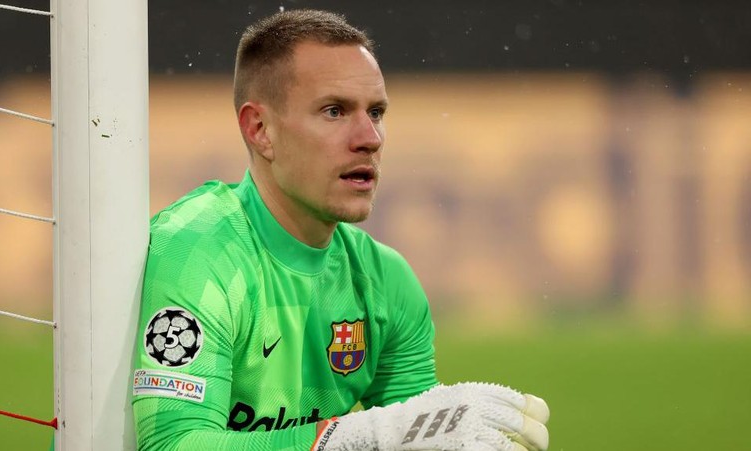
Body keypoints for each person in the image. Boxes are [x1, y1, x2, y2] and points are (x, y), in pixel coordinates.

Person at [132, 9, 549, 451]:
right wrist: (345, 439)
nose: (370, 137)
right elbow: (171, 445)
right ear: (260, 130)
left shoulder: (385, 283)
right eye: (334, 111)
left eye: (376, 112)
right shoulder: (198, 253)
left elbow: (417, 441)